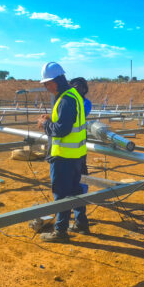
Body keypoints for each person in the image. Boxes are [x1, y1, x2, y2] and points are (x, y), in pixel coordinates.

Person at [36, 62, 89, 242]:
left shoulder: (65, 99)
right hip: (76, 156)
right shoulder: (73, 95)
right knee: (75, 191)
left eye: (46, 83)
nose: (45, 87)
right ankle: (81, 223)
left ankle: (60, 231)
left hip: (64, 157)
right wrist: (51, 119)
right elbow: (69, 122)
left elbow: (63, 129)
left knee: (61, 195)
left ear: (55, 81)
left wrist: (45, 125)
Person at [70, 77, 92, 225]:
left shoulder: (85, 103)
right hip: (66, 150)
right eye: (73, 86)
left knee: (81, 179)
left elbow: (78, 114)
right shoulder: (68, 101)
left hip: (79, 149)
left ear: (84, 89)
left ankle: (80, 211)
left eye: (78, 86)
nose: (76, 88)